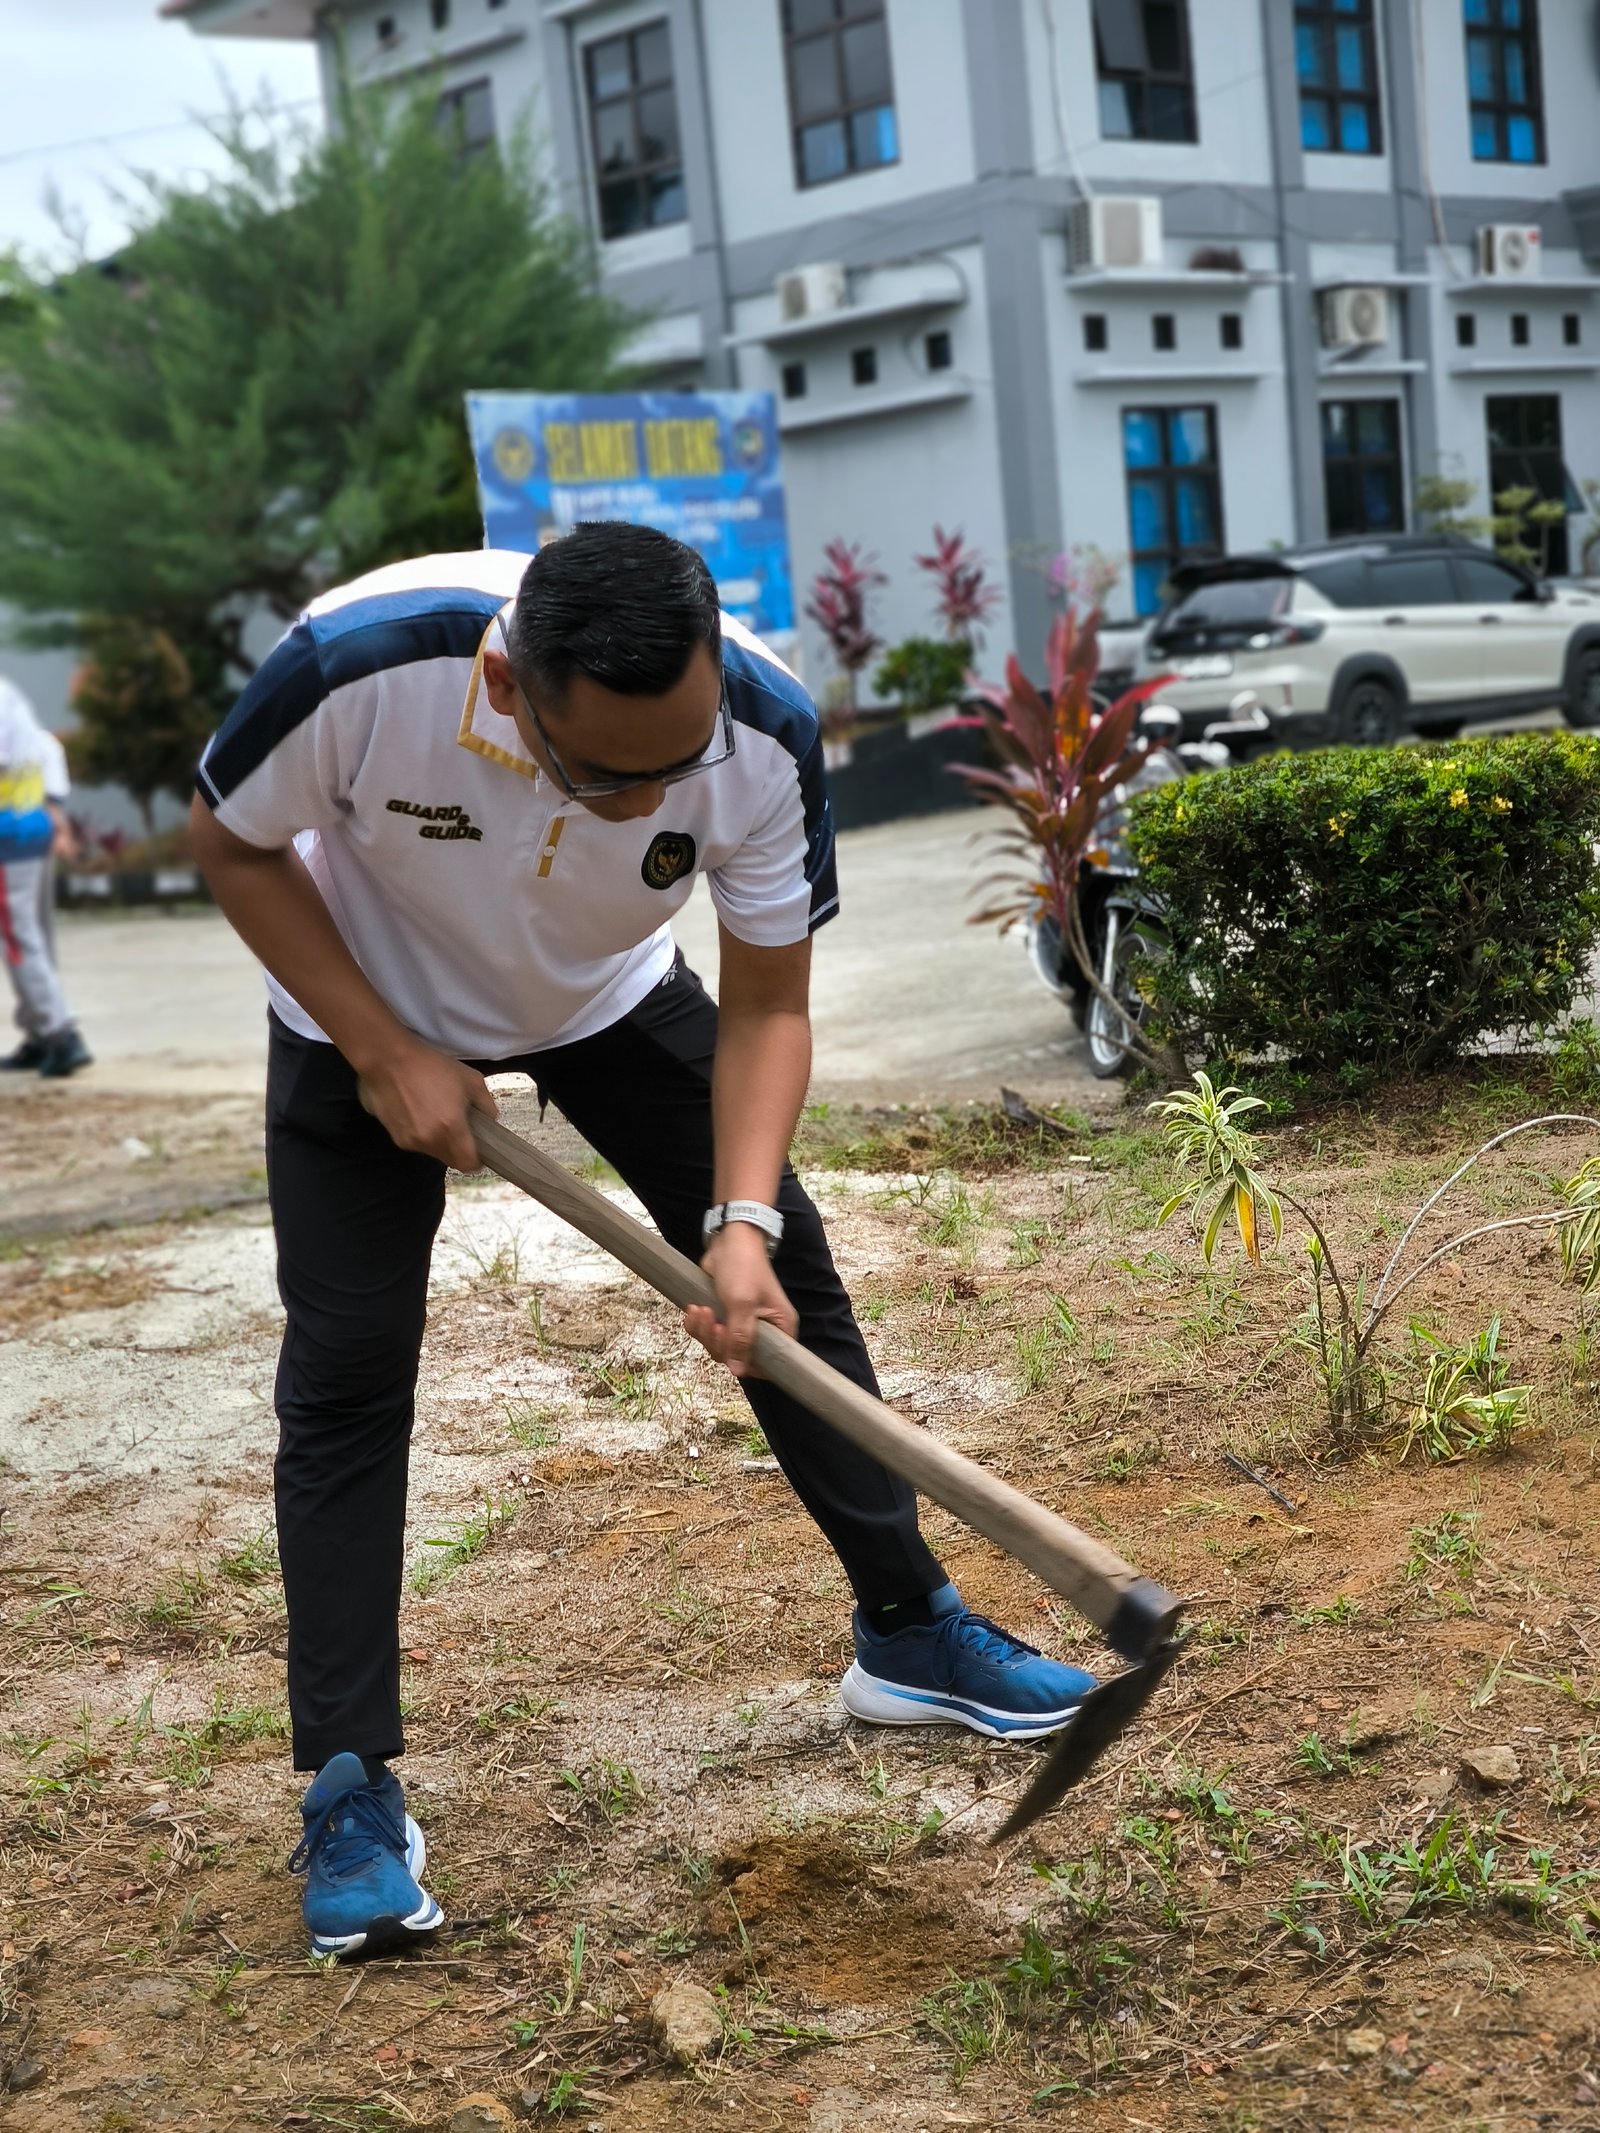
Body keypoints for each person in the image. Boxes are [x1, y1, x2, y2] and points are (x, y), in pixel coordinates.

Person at [190, 523, 1095, 1960]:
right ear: (505, 683)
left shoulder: (767, 730)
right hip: (357, 1006)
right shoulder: (362, 667)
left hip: (609, 998)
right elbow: (230, 844)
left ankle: (909, 1629)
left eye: (677, 763)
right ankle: (349, 1779)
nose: (651, 800)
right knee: (350, 1369)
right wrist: (379, 1047)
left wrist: (738, 1222)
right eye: (611, 774)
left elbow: (770, 1005)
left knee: (789, 1282)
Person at [0, 674, 92, 1077]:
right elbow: (47, 748)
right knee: (33, 934)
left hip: (9, 834)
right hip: (31, 826)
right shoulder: (8, 693)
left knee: (19, 939)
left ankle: (59, 1033)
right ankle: (40, 1032)